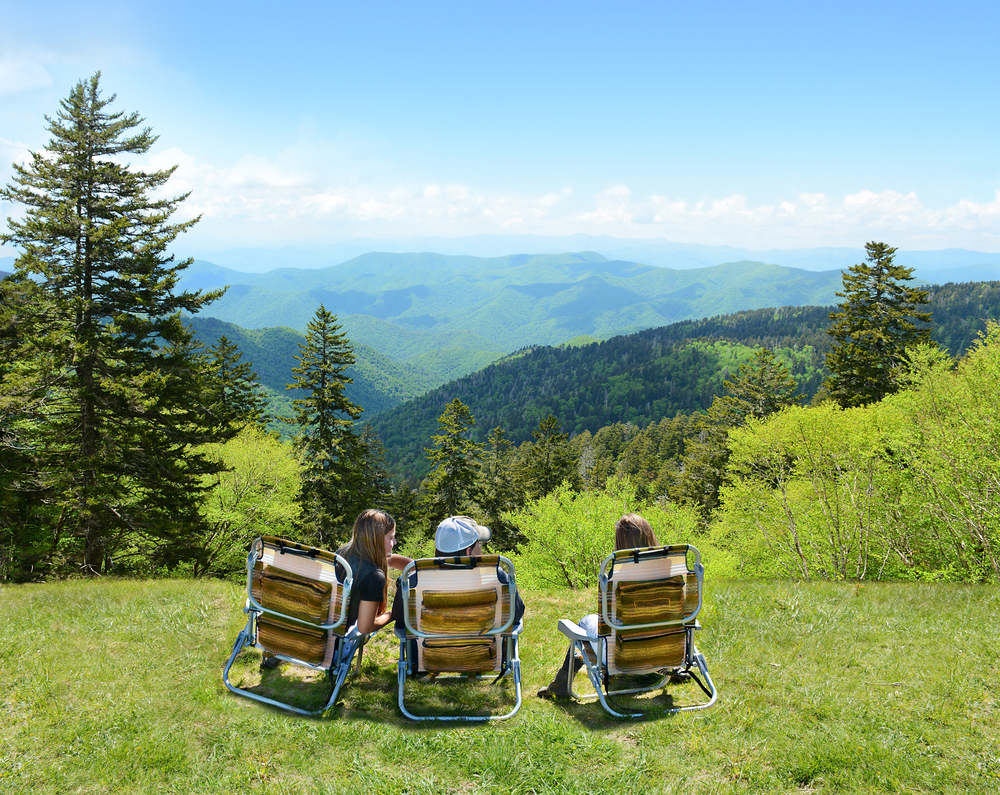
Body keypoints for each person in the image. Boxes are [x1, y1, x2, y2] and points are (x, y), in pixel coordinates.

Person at [536, 513, 658, 699]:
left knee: (585, 622)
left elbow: (607, 618)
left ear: (621, 541)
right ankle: (673, 671)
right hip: (664, 650)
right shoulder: (669, 567)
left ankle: (561, 685)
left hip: (623, 653)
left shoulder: (618, 571)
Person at [389, 515, 525, 630]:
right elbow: (516, 615)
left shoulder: (413, 581)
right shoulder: (496, 577)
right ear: (468, 552)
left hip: (428, 659)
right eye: (478, 544)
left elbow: (401, 620)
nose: (481, 548)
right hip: (487, 656)